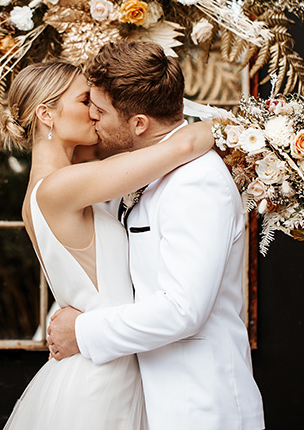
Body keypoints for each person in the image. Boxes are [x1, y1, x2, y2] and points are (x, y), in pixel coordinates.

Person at [48, 41, 265, 430]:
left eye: (100, 110)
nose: (92, 118)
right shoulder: (135, 172)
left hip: (198, 405)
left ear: (139, 124)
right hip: (141, 397)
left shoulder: (198, 182)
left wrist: (82, 332)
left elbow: (183, 310)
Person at [0, 55, 214, 429]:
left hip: (104, 360)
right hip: (102, 378)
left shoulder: (46, 189)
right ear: (46, 115)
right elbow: (180, 147)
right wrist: (252, 126)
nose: (95, 112)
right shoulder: (62, 186)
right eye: (85, 102)